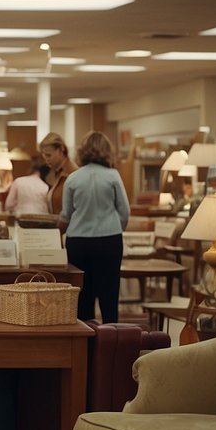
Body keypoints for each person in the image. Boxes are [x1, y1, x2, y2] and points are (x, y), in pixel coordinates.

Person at [59, 131, 130, 323]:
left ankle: (86, 346)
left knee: (83, 296)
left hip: (78, 242)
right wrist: (115, 228)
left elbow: (66, 214)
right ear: (107, 151)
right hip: (109, 240)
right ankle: (111, 343)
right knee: (109, 296)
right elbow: (124, 211)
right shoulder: (113, 176)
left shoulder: (73, 179)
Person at [39, 132, 78, 218]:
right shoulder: (55, 173)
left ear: (61, 150)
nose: (46, 160)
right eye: (44, 156)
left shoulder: (71, 173)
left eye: (49, 155)